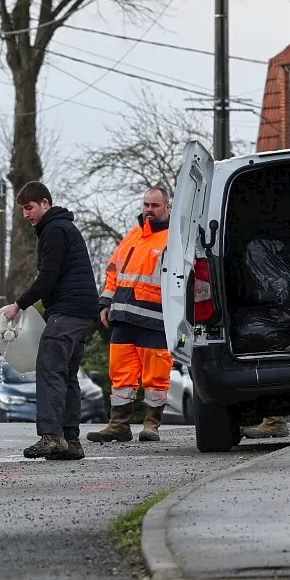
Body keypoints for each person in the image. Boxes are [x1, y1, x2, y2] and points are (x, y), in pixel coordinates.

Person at [0, 182, 99, 461]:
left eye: (29, 208)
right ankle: (70, 440)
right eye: (22, 210)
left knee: (50, 368)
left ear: (45, 203)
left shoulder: (54, 230)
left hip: (68, 310)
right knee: (67, 375)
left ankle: (52, 437)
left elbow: (47, 278)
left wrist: (18, 305)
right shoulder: (64, 227)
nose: (26, 215)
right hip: (82, 311)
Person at [89, 187, 174, 443]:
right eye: (146, 204)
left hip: (156, 321)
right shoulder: (133, 236)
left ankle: (151, 426)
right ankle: (119, 425)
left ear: (167, 208)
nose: (149, 209)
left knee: (156, 377)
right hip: (123, 318)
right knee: (121, 375)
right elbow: (113, 273)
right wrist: (105, 302)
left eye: (155, 205)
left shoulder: (174, 239)